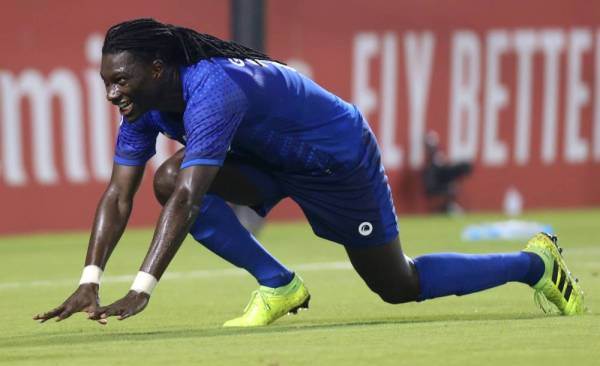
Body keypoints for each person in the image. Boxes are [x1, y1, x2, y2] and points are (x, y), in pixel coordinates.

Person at [34, 19, 584, 327]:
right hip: (269, 161)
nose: (112, 93)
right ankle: (279, 284)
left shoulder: (213, 88)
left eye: (121, 80)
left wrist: (142, 286)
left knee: (397, 285)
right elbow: (118, 194)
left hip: (336, 159)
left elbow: (191, 200)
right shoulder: (143, 103)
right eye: (106, 81)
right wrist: (90, 281)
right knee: (165, 177)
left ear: (157, 68)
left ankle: (532, 264)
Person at [422, 131, 473, 214]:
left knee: (452, 187)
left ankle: (449, 207)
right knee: (450, 188)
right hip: (433, 185)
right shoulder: (431, 162)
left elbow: (444, 171)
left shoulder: (438, 158)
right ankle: (448, 208)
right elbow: (431, 179)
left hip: (438, 183)